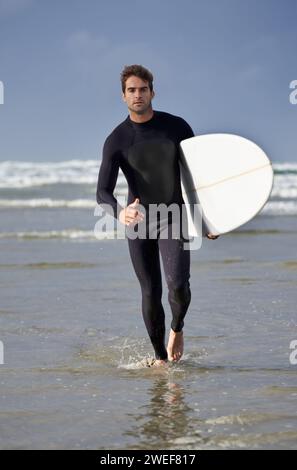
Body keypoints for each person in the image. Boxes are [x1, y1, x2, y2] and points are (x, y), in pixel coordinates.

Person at [96, 64, 219, 367]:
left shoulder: (176, 128)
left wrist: (206, 220)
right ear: (123, 96)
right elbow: (103, 192)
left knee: (178, 285)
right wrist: (120, 212)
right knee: (150, 291)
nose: (137, 95)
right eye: (131, 90)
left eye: (143, 89)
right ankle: (160, 359)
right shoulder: (117, 140)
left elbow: (196, 178)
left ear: (153, 91)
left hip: (173, 216)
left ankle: (177, 329)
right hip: (139, 222)